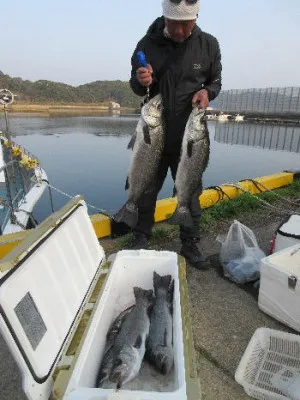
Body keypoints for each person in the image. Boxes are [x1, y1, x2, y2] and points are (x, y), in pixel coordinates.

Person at [127, 0, 222, 269]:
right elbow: (135, 85)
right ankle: (140, 236)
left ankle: (190, 243)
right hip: (154, 133)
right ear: (164, 17)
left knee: (189, 191)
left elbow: (215, 81)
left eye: (186, 24)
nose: (180, 31)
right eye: (174, 24)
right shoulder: (147, 43)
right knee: (145, 188)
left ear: (196, 16)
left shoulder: (209, 45)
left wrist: (208, 92)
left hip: (190, 135)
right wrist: (141, 80)